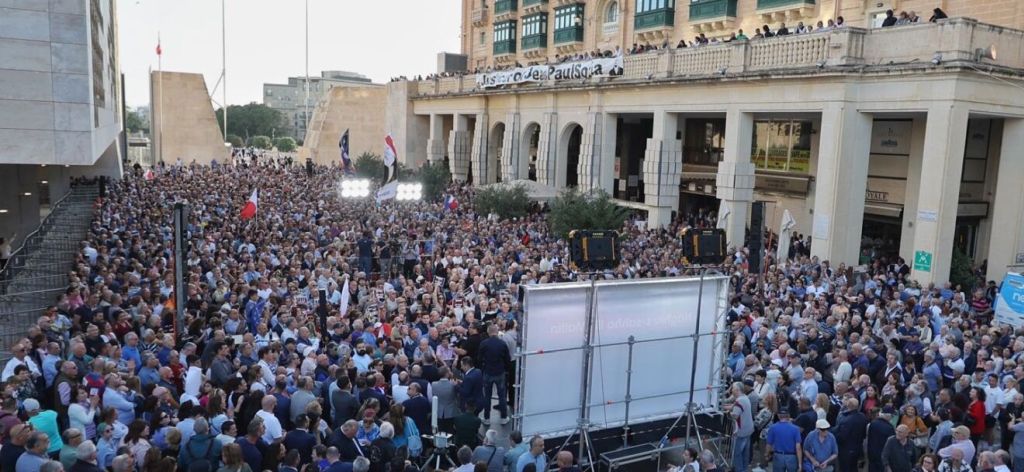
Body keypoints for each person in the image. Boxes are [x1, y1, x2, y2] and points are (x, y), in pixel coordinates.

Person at [730, 382, 755, 472]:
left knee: (737, 453)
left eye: (733, 388)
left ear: (737, 390)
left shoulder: (739, 401)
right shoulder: (745, 397)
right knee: (745, 452)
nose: (731, 390)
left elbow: (735, 416)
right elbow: (736, 407)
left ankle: (739, 470)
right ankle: (744, 469)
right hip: (748, 429)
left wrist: (727, 413)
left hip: (741, 431)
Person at [867, 407, 897, 472]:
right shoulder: (889, 427)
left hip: (872, 453)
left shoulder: (873, 423)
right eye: (892, 416)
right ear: (888, 415)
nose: (892, 418)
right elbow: (891, 444)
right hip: (882, 455)